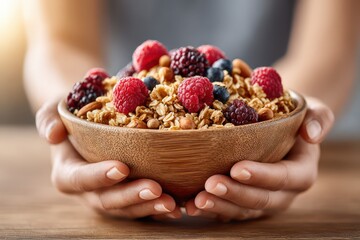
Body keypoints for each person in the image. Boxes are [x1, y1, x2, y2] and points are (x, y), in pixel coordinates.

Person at [24, 0, 359, 221]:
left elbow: (328, 52)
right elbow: (59, 40)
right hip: (128, 106)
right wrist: (73, 120)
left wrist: (289, 130)